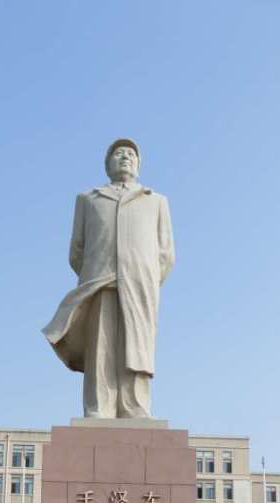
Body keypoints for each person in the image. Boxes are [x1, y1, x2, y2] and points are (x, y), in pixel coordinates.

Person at [43, 137, 175, 418]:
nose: (125, 157)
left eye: (131, 154)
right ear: (107, 165)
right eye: (118, 153)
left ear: (138, 164)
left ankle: (135, 406)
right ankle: (98, 407)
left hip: (139, 284)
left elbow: (166, 254)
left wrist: (144, 277)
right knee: (100, 348)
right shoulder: (88, 199)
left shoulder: (156, 201)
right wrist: (97, 270)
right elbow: (76, 251)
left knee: (136, 348)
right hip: (99, 280)